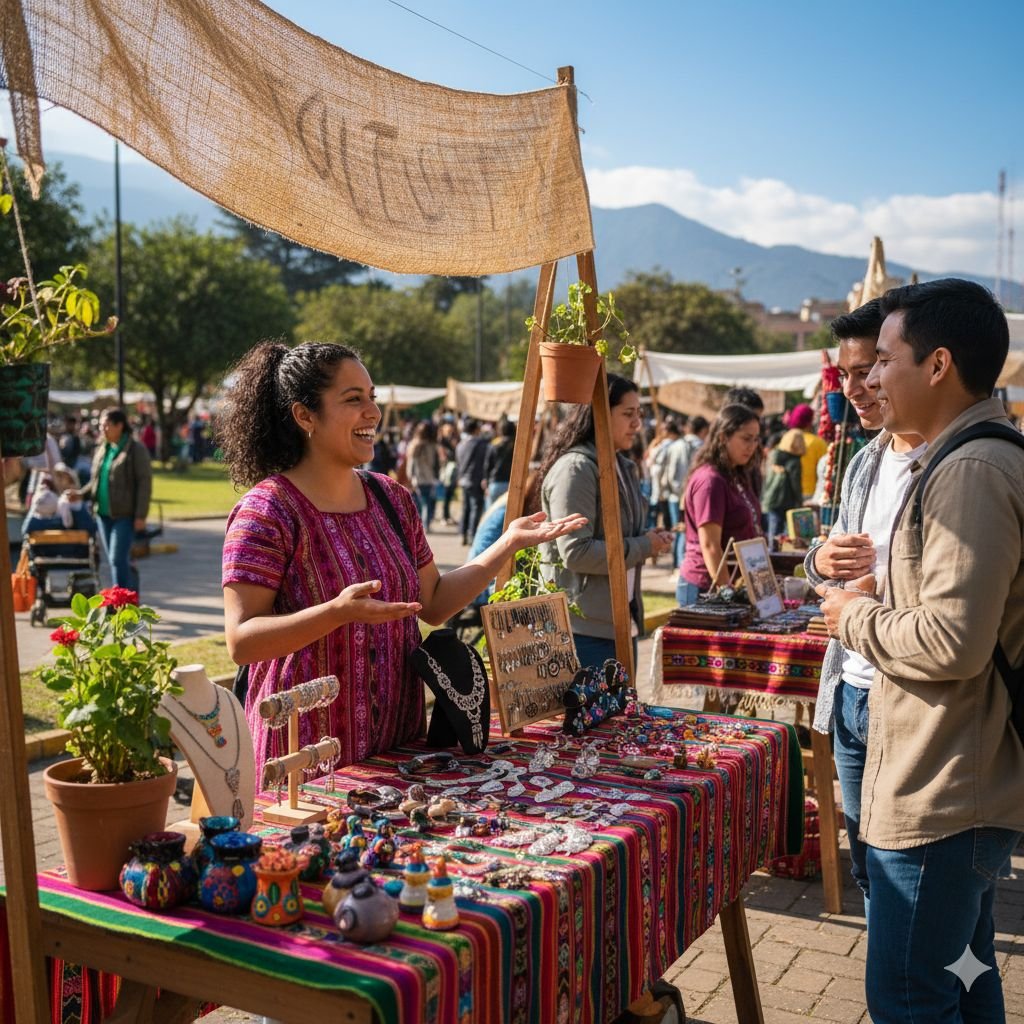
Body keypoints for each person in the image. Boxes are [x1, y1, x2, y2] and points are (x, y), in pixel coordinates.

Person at [218, 341, 585, 781]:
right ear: (304, 416)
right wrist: (336, 613)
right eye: (353, 400)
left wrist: (505, 544)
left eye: (371, 397)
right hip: (305, 755)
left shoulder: (391, 498)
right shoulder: (267, 511)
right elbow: (242, 641)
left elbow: (432, 602)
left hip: (400, 746)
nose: (372, 413)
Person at [817, 279, 1024, 1021]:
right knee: (964, 974)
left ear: (937, 366)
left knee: (907, 990)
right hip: (953, 774)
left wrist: (852, 615)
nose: (871, 378)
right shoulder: (964, 456)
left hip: (941, 785)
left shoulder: (969, 468)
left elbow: (953, 642)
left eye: (887, 360)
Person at [803, 297, 926, 912]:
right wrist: (819, 562)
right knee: (872, 873)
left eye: (870, 368)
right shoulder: (866, 460)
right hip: (850, 689)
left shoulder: (953, 461)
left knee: (915, 885)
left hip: (910, 697)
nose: (858, 387)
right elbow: (825, 561)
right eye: (846, 375)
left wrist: (880, 597)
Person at [535, 374, 673, 667]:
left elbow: (617, 534)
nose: (638, 424)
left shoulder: (622, 466)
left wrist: (650, 538)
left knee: (625, 713)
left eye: (640, 414)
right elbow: (576, 552)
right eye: (628, 414)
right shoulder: (576, 470)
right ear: (599, 414)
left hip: (621, 621)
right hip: (583, 629)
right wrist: (642, 546)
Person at [677, 404, 762, 606]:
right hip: (706, 588)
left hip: (732, 583)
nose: (752, 446)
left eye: (756, 439)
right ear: (723, 437)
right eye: (746, 438)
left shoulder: (735, 474)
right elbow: (710, 545)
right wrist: (727, 592)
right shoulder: (710, 481)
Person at [75, 408, 152, 593]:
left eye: (106, 425)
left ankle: (122, 604)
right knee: (115, 559)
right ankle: (130, 598)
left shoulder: (135, 449)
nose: (102, 429)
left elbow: (144, 483)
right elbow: (96, 481)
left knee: (118, 559)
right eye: (101, 425)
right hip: (103, 514)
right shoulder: (103, 449)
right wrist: (80, 493)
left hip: (125, 515)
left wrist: (141, 515)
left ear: (120, 426)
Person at [761, 427, 805, 544]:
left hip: (770, 498)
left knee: (773, 530)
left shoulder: (773, 454)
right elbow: (796, 484)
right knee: (786, 533)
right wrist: (799, 501)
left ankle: (771, 553)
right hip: (787, 500)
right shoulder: (795, 461)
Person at [455, 418, 488, 544]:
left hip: (463, 480)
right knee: (475, 508)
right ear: (476, 429)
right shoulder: (481, 444)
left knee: (465, 508)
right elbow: (483, 463)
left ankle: (463, 533)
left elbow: (458, 463)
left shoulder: (460, 445)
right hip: (475, 480)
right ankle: (472, 535)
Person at [404, 420, 441, 531]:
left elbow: (411, 465)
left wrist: (410, 478)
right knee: (427, 503)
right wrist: (436, 477)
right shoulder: (432, 446)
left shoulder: (413, 445)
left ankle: (419, 526)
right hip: (429, 479)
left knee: (418, 503)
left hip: (417, 479)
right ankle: (426, 525)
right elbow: (436, 464)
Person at [787, 403, 828, 502]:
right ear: (810, 420)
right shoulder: (817, 442)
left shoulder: (786, 438)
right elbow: (825, 471)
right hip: (810, 494)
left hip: (788, 493)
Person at [483, 419, 516, 506]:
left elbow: (487, 465)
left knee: (491, 513)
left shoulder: (494, 445)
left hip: (495, 483)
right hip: (510, 484)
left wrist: (486, 481)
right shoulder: (516, 446)